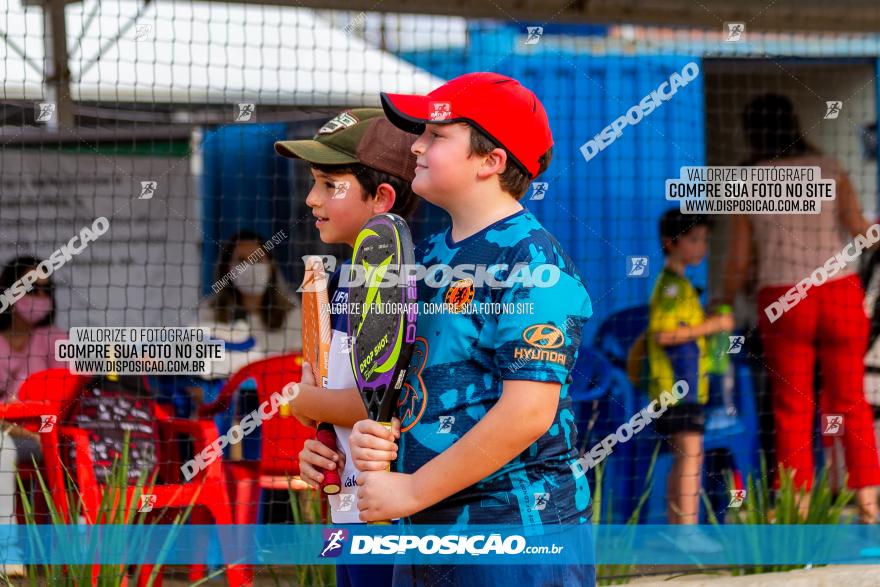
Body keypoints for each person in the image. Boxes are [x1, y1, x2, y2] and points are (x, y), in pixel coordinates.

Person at [348, 72, 594, 586]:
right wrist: (379, 435)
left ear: (491, 161)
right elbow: (414, 384)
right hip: (425, 535)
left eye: (436, 136)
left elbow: (527, 413)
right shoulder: (430, 254)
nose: (415, 145)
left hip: (516, 537)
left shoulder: (532, 260)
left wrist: (411, 491)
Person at [275, 108, 419, 587]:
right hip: (349, 507)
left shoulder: (409, 282)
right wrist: (317, 444)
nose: (311, 198)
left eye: (328, 184)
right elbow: (343, 396)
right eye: (313, 181)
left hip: (397, 514)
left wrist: (300, 400)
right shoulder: (341, 283)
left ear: (381, 197)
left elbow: (379, 401)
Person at [721, 93, 880, 523]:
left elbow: (738, 259)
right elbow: (863, 234)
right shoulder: (829, 168)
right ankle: (868, 502)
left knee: (792, 405)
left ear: (751, 131)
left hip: (785, 299)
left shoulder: (747, 179)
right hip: (840, 292)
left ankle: (797, 505)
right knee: (851, 401)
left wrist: (720, 300)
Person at [648, 211, 733, 534]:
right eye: (694, 239)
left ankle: (677, 532)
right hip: (677, 391)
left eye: (705, 241)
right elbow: (663, 335)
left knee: (686, 457)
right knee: (691, 459)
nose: (702, 248)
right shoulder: (671, 288)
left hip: (685, 390)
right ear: (671, 243)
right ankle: (687, 533)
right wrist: (713, 325)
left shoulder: (681, 285)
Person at [0, 255, 69, 575]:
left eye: (44, 290)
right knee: (3, 447)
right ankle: (8, 553)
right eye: (29, 289)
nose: (37, 298)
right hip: (7, 435)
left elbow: (68, 402)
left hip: (49, 437)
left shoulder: (57, 339)